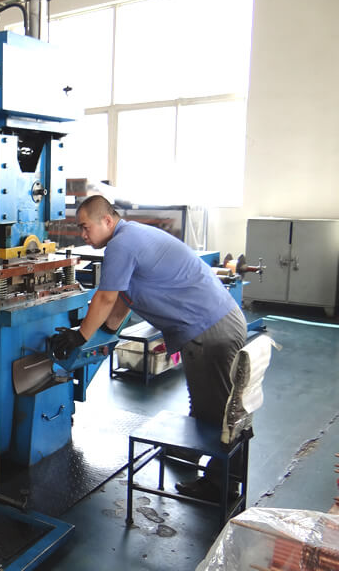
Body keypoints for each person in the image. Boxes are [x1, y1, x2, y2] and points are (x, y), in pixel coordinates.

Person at [51, 195, 246, 502]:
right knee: (202, 397)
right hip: (213, 323)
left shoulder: (121, 244)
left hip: (211, 330)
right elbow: (123, 297)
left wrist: (81, 336)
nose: (83, 235)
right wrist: (106, 331)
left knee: (219, 410)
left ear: (107, 220)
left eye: (85, 227)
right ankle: (190, 451)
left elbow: (105, 297)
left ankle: (222, 484)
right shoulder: (131, 236)